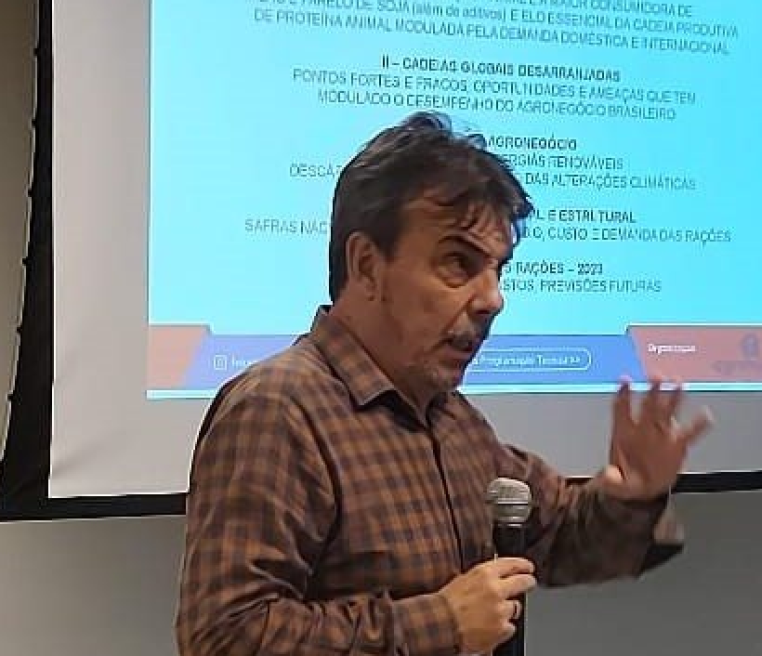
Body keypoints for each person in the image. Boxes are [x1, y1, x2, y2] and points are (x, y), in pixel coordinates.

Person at [175, 111, 713, 656]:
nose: (493, 299)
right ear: (367, 265)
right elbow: (225, 636)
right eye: (458, 262)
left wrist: (632, 493)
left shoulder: (452, 420)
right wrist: (441, 623)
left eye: (498, 269)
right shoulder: (278, 410)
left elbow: (559, 537)